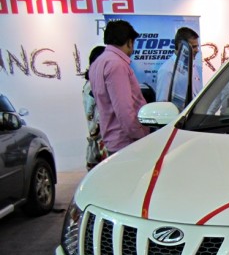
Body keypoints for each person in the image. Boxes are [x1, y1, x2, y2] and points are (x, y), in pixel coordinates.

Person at [88, 19, 150, 155]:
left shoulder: (99, 62)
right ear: (129, 42)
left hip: (114, 139)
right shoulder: (116, 64)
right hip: (127, 143)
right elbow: (124, 109)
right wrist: (140, 135)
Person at [155, 27, 202, 102]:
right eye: (193, 47)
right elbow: (162, 102)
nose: (197, 50)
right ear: (181, 46)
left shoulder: (193, 66)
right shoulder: (167, 70)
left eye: (197, 46)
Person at [82, 45, 107, 170]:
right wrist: (96, 129)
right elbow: (89, 111)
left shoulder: (94, 83)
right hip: (99, 133)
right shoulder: (91, 85)